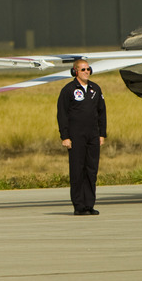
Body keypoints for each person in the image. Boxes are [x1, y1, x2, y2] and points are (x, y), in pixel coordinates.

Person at [57, 59, 106, 215]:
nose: (86, 72)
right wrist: (65, 136)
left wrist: (101, 134)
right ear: (75, 71)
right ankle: (79, 206)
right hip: (76, 136)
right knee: (77, 170)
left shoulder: (95, 89)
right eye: (83, 69)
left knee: (91, 170)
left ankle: (89, 205)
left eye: (88, 69)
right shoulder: (68, 90)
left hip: (92, 135)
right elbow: (62, 114)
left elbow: (101, 113)